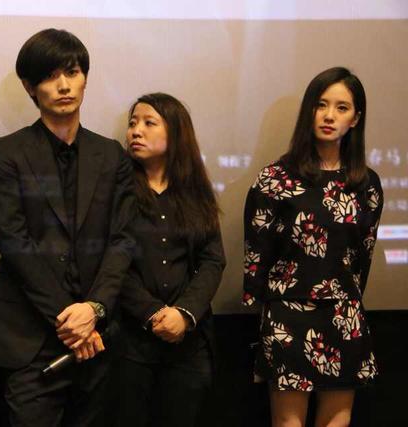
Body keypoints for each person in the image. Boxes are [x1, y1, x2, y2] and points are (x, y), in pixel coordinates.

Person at [0, 28, 134, 427]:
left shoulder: (111, 155)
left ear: (85, 78)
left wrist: (93, 309)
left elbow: (122, 239)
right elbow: (13, 242)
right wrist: (72, 322)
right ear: (30, 87)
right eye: (50, 76)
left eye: (73, 72)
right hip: (30, 338)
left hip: (99, 337)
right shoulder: (6, 153)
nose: (64, 85)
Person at [242, 67, 383, 427]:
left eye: (341, 107)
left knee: (337, 421)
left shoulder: (366, 184)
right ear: (309, 110)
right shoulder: (275, 179)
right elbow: (256, 254)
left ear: (356, 118)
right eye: (321, 105)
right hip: (288, 313)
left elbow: (363, 257)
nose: (329, 115)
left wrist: (347, 301)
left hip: (344, 314)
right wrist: (264, 310)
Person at [115, 93, 225, 426]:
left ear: (175, 133)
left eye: (149, 123)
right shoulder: (116, 190)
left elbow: (212, 260)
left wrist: (184, 313)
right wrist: (152, 312)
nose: (136, 131)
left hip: (188, 342)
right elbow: (111, 261)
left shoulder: (195, 192)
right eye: (133, 123)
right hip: (131, 341)